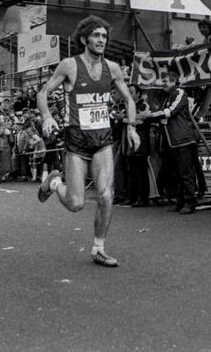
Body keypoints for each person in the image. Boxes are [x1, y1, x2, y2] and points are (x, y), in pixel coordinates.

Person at [36, 15, 140, 268]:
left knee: (106, 195)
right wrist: (47, 116)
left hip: (103, 139)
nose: (101, 40)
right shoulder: (69, 65)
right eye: (96, 35)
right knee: (76, 203)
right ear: (84, 38)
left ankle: (99, 249)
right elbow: (43, 93)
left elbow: (129, 100)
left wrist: (132, 127)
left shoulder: (113, 68)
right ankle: (54, 182)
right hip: (77, 141)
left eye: (104, 36)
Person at [149, 71, 200, 214]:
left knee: (186, 172)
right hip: (171, 140)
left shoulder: (179, 93)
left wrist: (150, 115)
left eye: (165, 81)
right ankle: (180, 201)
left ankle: (190, 202)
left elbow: (171, 111)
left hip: (183, 139)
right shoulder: (167, 96)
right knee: (176, 173)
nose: (162, 84)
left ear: (174, 82)